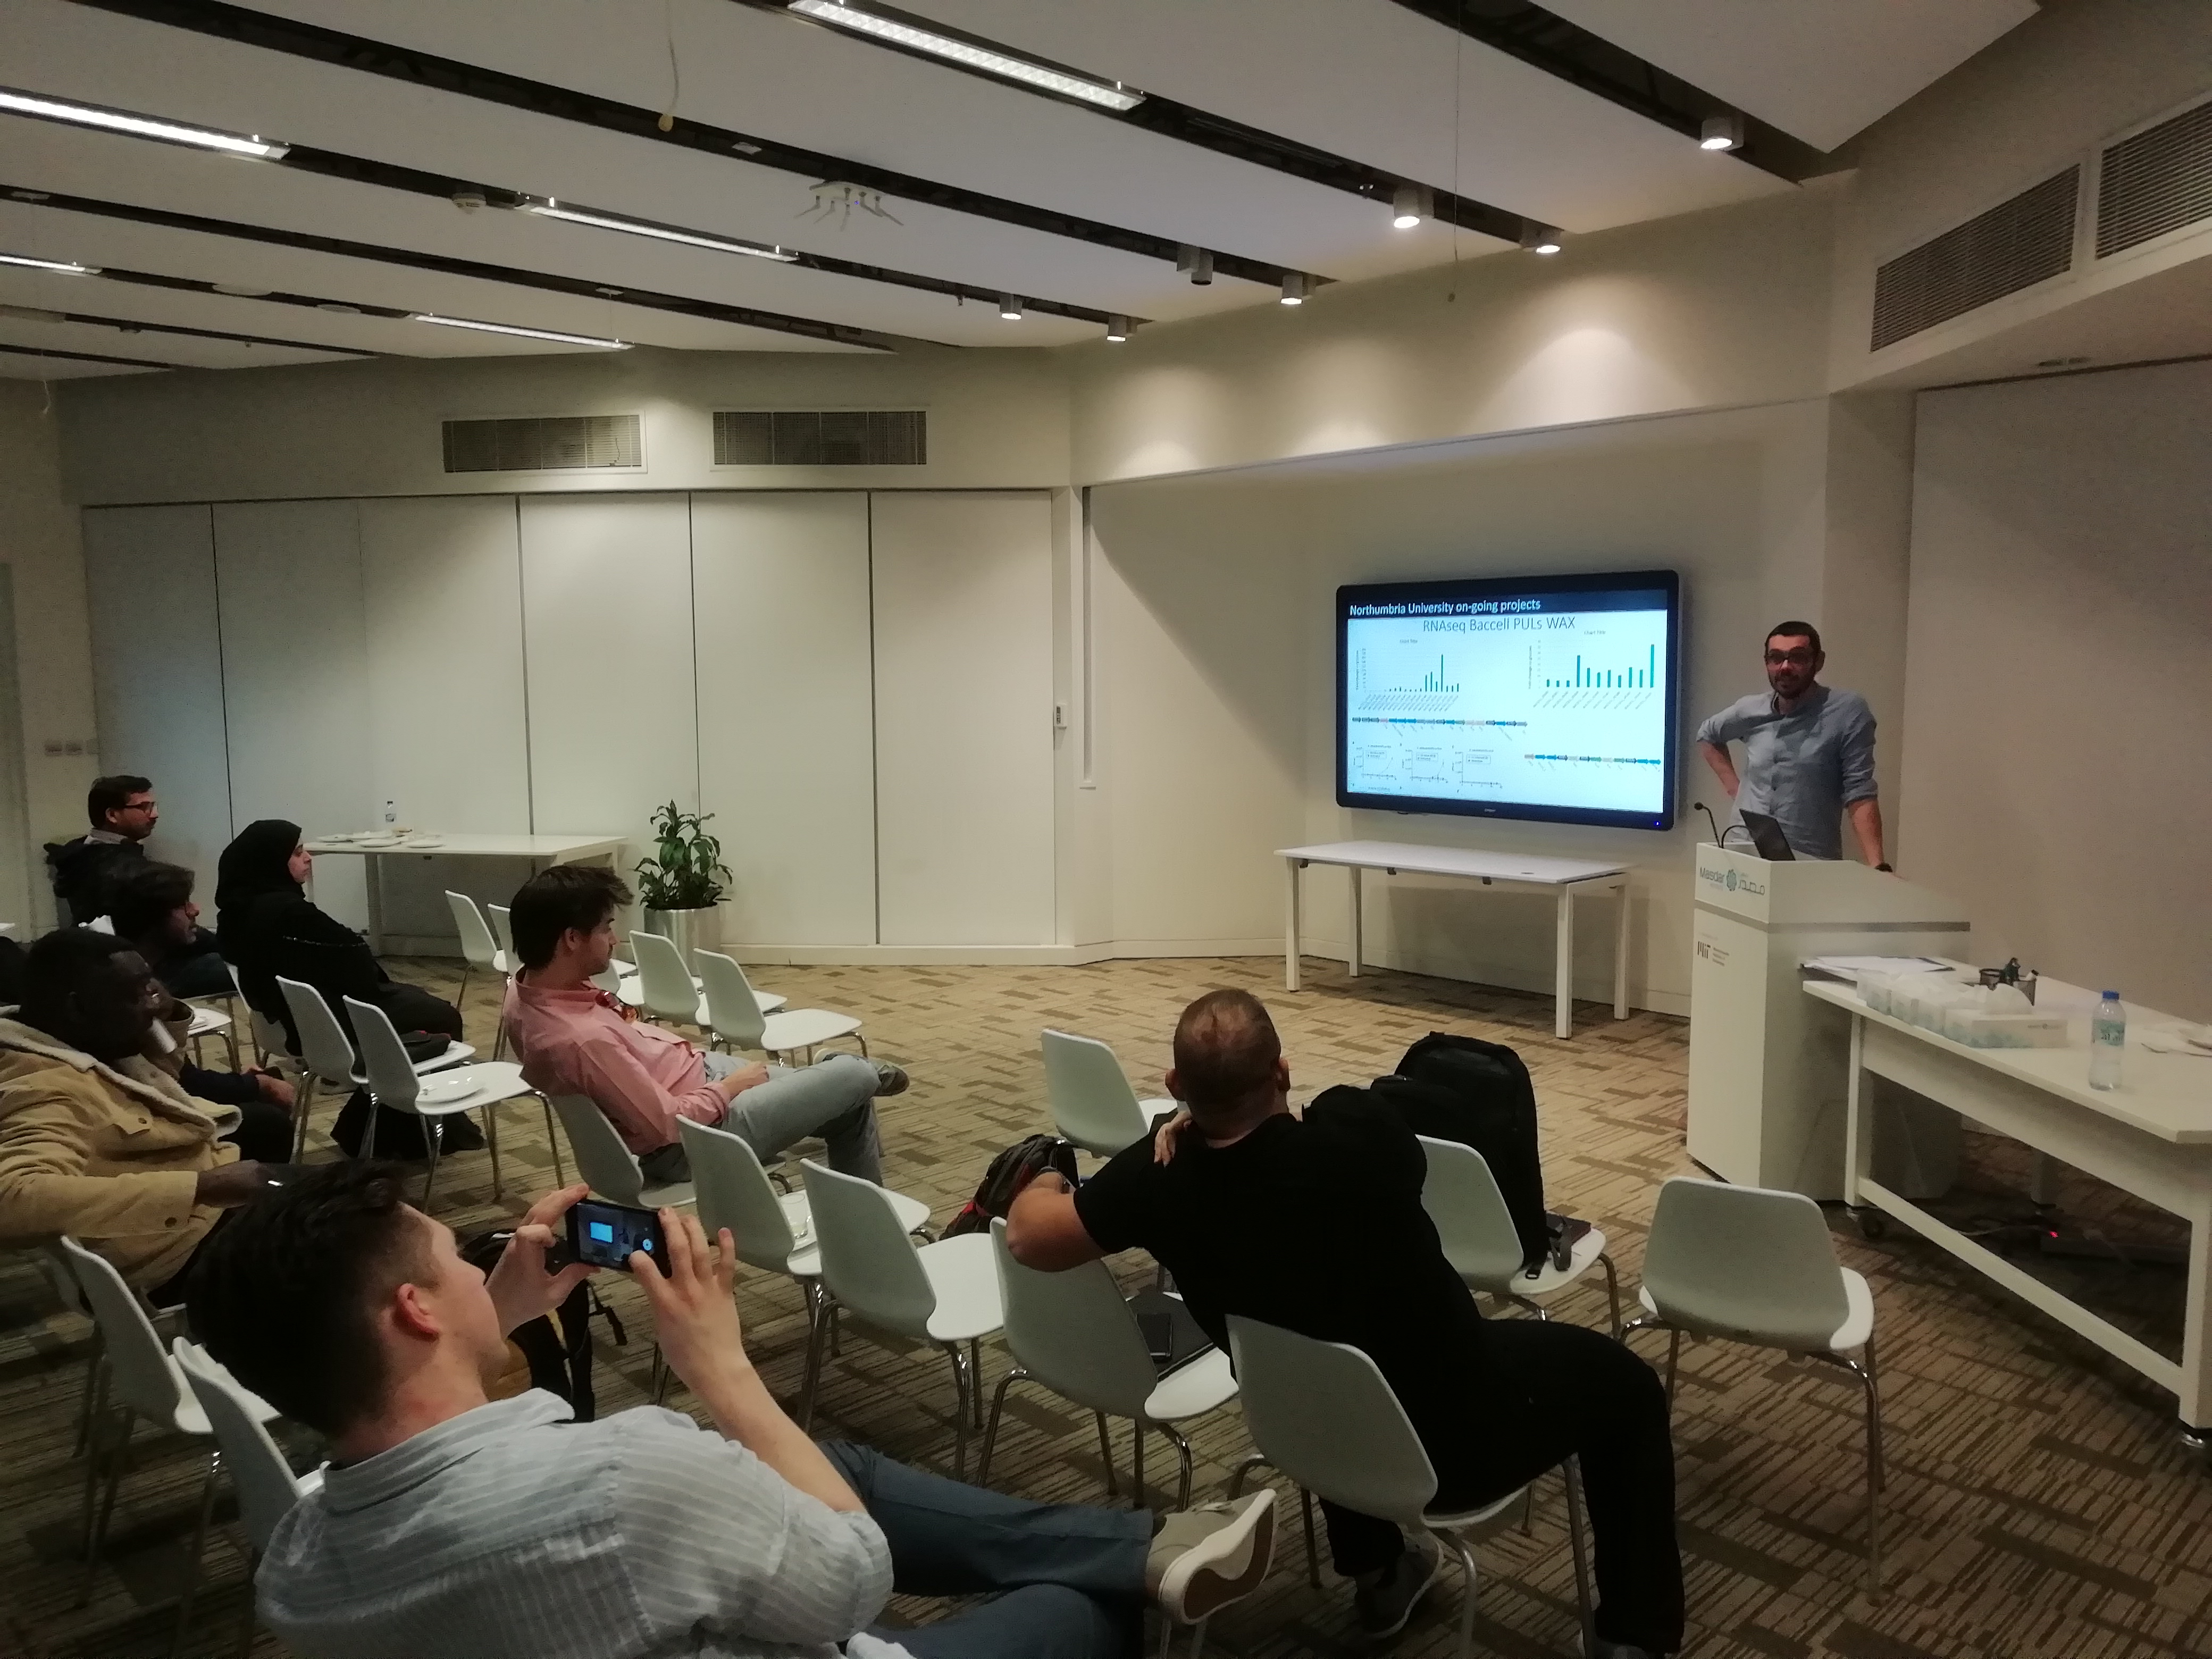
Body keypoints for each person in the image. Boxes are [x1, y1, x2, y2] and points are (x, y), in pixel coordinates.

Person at [183, 1162, 1279, 1659]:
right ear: (416, 1312)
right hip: (812, 1619)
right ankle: (1130, 1569)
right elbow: (854, 1575)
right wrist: (720, 1367)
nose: (484, 1270)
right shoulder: (623, 1482)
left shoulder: (297, 1565)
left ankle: (1145, 1547)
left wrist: (509, 1309)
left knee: (837, 1451)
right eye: (457, 1265)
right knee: (1076, 1615)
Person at [1007, 990, 1685, 1659]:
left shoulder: (1158, 1174)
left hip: (1303, 1433)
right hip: (1456, 1443)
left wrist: (1045, 1177)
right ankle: (1634, 1634)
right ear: (1280, 1073)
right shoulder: (1358, 1140)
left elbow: (1031, 1241)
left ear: (1175, 1085)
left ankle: (1380, 1574)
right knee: (1624, 1385)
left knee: (1317, 1352)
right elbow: (1346, 1118)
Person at [504, 865, 902, 1185]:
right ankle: (848, 1071)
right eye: (607, 927)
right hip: (700, 1136)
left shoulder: (523, 991)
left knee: (847, 1099)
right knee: (853, 1075)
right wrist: (729, 1089)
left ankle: (867, 1234)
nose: (615, 938)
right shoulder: (583, 1041)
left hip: (695, 1076)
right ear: (572, 939)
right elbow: (666, 1124)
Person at [0, 928, 290, 1303]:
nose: (151, 1003)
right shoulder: (43, 1088)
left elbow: (162, 1075)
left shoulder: (67, 1033)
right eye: (136, 994)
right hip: (169, 1255)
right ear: (77, 1007)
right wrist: (201, 1187)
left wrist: (167, 1016)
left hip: (176, 1210)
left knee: (274, 1138)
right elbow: (12, 1199)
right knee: (348, 1239)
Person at [216, 819, 474, 1158]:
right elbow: (356, 961)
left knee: (420, 1000)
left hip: (297, 1021)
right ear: (270, 862)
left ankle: (378, 1127)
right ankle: (402, 1134)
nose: (308, 858)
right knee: (441, 1015)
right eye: (297, 853)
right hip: (332, 1026)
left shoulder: (239, 911)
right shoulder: (287, 913)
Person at [1695, 621, 1887, 867]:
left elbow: (1860, 791)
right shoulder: (1750, 709)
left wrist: (1878, 865)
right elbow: (1708, 735)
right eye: (1776, 658)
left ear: (1819, 662)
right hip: (1743, 849)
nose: (1785, 667)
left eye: (1797, 657)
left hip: (1807, 857)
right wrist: (1737, 791)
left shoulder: (1847, 711)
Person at [108, 858, 233, 1000]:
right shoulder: (191, 974)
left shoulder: (193, 946)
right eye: (182, 905)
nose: (195, 910)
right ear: (150, 916)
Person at [44, 774, 157, 926]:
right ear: (112, 815)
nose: (155, 815)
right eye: (143, 807)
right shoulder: (114, 867)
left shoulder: (81, 851)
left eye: (153, 806)